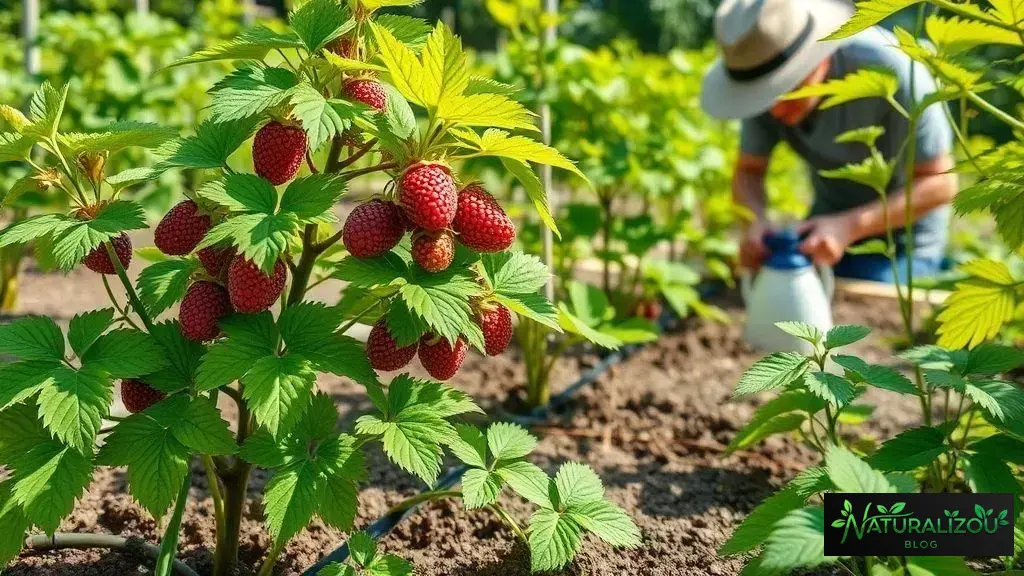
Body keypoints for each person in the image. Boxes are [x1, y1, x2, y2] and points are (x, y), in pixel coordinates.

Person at [701, 0, 958, 283]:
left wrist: (850, 226)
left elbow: (940, 183)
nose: (775, 110)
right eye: (765, 96)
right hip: (826, 228)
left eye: (788, 88)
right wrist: (755, 222)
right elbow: (749, 171)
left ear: (818, 57)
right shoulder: (764, 88)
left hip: (904, 242)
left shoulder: (894, 73)